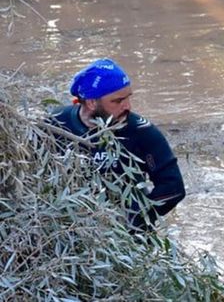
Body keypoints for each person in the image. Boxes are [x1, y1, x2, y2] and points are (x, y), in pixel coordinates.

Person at [50, 58, 185, 231]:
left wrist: (135, 221)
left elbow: (173, 187)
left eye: (128, 98)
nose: (127, 106)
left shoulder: (141, 131)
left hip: (125, 240)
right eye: (117, 101)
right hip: (73, 229)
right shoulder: (55, 124)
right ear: (91, 102)